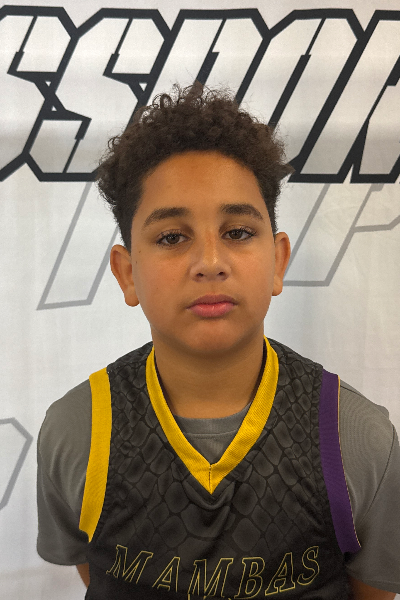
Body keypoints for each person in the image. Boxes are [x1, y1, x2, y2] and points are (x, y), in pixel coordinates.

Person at [37, 84, 400, 599]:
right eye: (172, 237)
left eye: (237, 232)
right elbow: (96, 573)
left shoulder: (357, 438)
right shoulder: (77, 431)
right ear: (127, 273)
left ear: (277, 261)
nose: (210, 261)